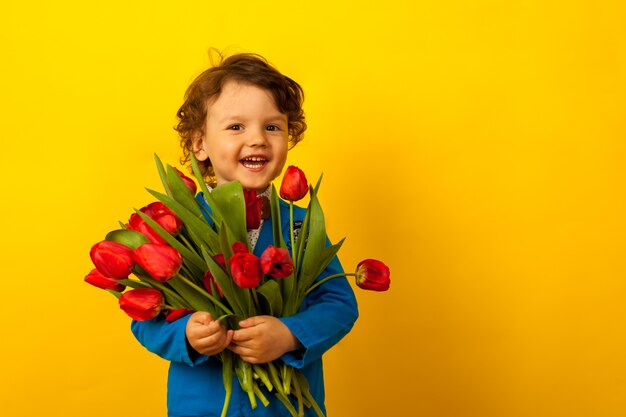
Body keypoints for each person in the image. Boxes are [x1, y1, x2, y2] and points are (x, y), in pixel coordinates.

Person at [130, 52, 359, 417]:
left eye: (272, 127)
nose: (257, 139)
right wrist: (187, 334)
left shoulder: (301, 227)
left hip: (289, 409)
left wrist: (290, 334)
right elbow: (145, 317)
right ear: (199, 144)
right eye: (236, 127)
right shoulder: (178, 231)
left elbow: (339, 304)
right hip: (203, 407)